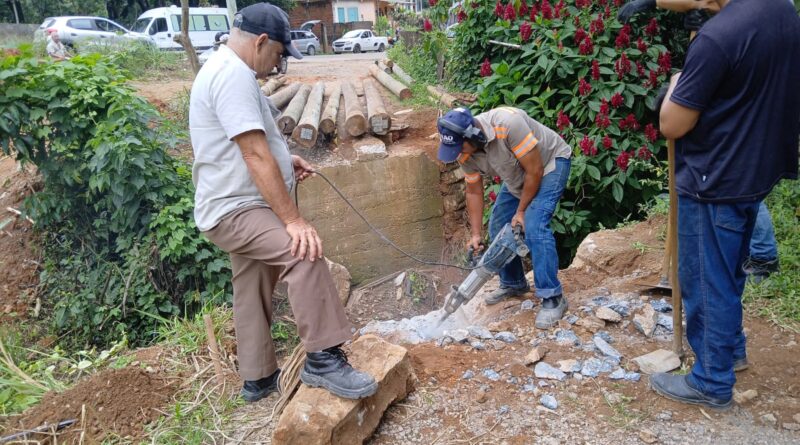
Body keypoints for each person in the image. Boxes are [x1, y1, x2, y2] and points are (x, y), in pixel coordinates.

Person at [189, 3, 377, 402]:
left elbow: (245, 145)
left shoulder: (225, 68)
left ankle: (257, 377)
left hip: (231, 202)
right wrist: (293, 221)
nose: (278, 63)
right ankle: (323, 360)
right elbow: (254, 154)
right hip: (237, 207)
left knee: (251, 283)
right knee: (303, 252)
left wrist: (284, 161)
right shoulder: (232, 76)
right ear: (260, 41)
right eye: (277, 53)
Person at [654, 0, 800, 410]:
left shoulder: (717, 39)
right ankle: (731, 349)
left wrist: (677, 83)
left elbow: (672, 124)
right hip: (754, 167)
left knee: (706, 280)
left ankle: (710, 382)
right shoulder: (779, 8)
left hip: (714, 177)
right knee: (728, 271)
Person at [437, 107, 572, 329]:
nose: (457, 153)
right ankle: (513, 283)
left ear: (473, 135)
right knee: (498, 224)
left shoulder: (508, 124)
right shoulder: (463, 151)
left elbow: (535, 170)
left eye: (459, 147)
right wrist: (476, 234)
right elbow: (473, 191)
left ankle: (553, 298)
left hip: (549, 165)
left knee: (535, 226)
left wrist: (521, 212)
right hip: (519, 174)